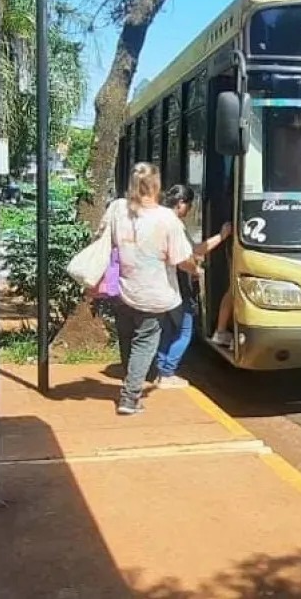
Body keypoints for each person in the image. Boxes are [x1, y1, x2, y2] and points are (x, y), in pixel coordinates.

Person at [95, 163, 196, 415]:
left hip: (120, 288)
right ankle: (130, 398)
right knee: (144, 343)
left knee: (127, 337)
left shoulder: (117, 208)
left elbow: (100, 235)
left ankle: (129, 380)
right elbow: (182, 259)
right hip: (151, 293)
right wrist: (197, 270)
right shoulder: (166, 218)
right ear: (157, 186)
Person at [156, 185, 233, 389]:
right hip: (179, 284)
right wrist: (195, 270)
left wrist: (221, 236)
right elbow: (187, 257)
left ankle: (160, 369)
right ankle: (166, 372)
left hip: (162, 284)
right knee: (184, 330)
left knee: (168, 328)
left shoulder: (160, 219)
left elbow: (195, 250)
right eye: (189, 205)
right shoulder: (174, 225)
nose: (189, 210)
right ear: (180, 203)